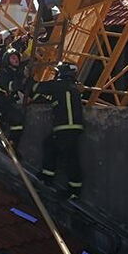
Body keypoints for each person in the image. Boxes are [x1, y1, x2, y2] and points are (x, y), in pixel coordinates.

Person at [32, 61, 84, 200]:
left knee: (70, 159)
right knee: (50, 145)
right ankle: (47, 175)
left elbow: (38, 87)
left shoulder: (59, 85)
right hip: (71, 127)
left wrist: (29, 79)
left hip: (66, 128)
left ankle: (74, 191)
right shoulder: (73, 87)